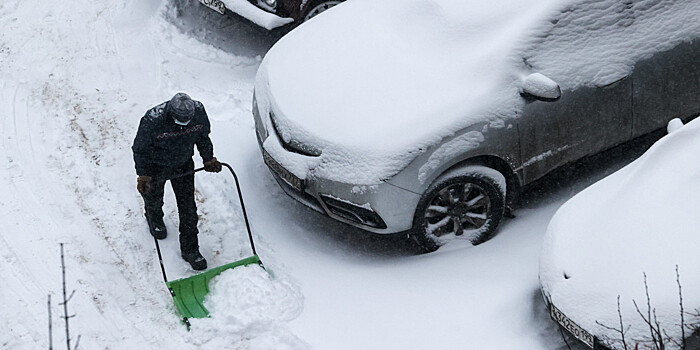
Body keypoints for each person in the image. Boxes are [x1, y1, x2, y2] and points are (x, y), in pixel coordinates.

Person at [132, 93, 222, 270]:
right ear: (171, 114)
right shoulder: (152, 120)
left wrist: (208, 158)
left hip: (183, 164)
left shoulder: (198, 112)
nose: (185, 124)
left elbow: (203, 137)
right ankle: (154, 218)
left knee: (188, 208)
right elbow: (140, 149)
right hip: (155, 166)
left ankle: (190, 250)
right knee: (154, 198)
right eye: (181, 120)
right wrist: (143, 176)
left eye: (188, 120)